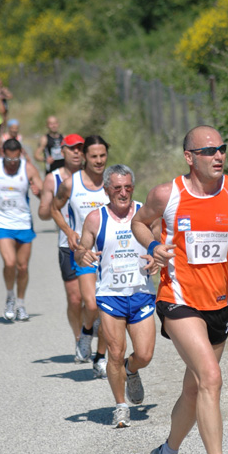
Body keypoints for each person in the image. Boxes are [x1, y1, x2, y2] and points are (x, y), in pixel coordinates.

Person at [131, 125, 228, 454]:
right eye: (208, 151)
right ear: (189, 157)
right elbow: (139, 222)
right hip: (178, 299)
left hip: (219, 305)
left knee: (194, 389)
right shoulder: (167, 194)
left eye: (222, 148)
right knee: (210, 377)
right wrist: (156, 244)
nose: (218, 156)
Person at [75, 164, 158, 428]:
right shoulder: (95, 219)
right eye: (117, 188)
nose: (123, 193)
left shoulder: (145, 213)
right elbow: (80, 251)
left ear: (133, 188)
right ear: (107, 189)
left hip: (141, 294)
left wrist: (157, 260)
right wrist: (83, 255)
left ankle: (131, 370)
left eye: (127, 188)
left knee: (144, 355)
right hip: (111, 296)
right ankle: (121, 406)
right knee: (114, 352)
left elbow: (160, 245)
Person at [51, 135, 109, 378]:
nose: (98, 161)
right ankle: (86, 331)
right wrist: (68, 231)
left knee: (107, 309)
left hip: (111, 256)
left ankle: (101, 357)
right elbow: (54, 208)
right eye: (93, 156)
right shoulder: (70, 183)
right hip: (83, 254)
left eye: (102, 156)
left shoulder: (113, 182)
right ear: (84, 156)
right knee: (92, 304)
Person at [38, 134, 85, 343]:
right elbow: (43, 214)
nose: (77, 152)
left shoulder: (93, 177)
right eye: (72, 148)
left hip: (95, 246)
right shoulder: (53, 178)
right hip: (67, 246)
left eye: (80, 148)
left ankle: (92, 333)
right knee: (75, 299)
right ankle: (79, 340)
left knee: (93, 300)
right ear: (62, 151)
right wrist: (46, 202)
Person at [0, 138, 43, 321]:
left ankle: (21, 304)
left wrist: (37, 192)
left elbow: (43, 193)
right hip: (3, 223)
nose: (12, 164)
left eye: (15, 160)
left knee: (22, 267)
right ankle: (10, 297)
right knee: (10, 263)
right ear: (3, 154)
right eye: (9, 160)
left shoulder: (28, 168)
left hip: (23, 223)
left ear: (20, 155)